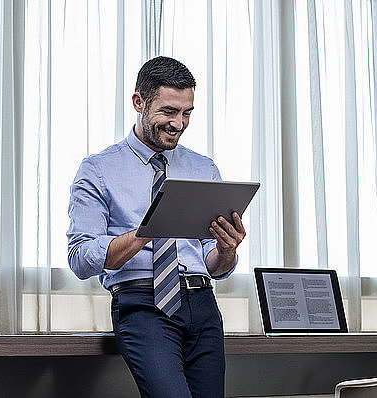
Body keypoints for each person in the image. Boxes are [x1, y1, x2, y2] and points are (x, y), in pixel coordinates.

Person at [67, 56, 246, 398]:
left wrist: (226, 250)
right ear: (139, 102)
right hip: (142, 304)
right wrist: (145, 231)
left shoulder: (202, 168)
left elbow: (216, 265)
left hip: (202, 303)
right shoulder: (98, 170)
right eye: (168, 112)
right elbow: (80, 258)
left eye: (187, 113)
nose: (178, 124)